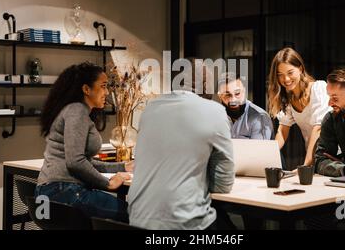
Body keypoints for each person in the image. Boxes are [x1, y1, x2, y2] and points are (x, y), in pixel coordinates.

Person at [127, 64, 235, 230]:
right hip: (183, 223)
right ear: (205, 85)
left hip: (137, 219)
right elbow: (223, 184)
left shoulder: (150, 109)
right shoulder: (215, 111)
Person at [36, 62, 133, 221]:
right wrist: (107, 184)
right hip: (64, 192)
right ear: (86, 89)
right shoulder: (77, 111)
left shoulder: (74, 110)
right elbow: (75, 162)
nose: (107, 92)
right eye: (103, 86)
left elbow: (83, 161)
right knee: (137, 215)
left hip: (55, 193)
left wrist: (122, 166)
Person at [268, 48, 331, 166]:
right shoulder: (288, 98)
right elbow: (282, 131)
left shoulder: (318, 89)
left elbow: (318, 129)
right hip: (314, 158)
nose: (285, 79)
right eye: (280, 75)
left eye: (290, 73)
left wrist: (306, 166)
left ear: (300, 69)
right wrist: (268, 157)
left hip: (333, 157)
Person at [218, 72, 274, 140]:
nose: (233, 100)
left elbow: (259, 150)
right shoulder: (215, 117)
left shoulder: (259, 118)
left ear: (244, 91)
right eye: (227, 95)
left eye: (237, 93)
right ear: (220, 96)